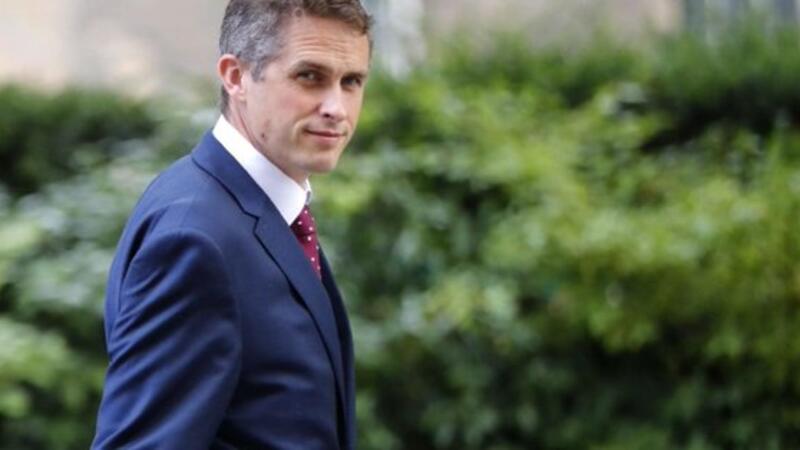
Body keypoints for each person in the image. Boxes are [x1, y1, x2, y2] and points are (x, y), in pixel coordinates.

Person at [91, 1, 372, 448]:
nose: (336, 107)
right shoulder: (193, 238)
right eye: (310, 76)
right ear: (236, 76)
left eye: (351, 81)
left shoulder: (264, 211)